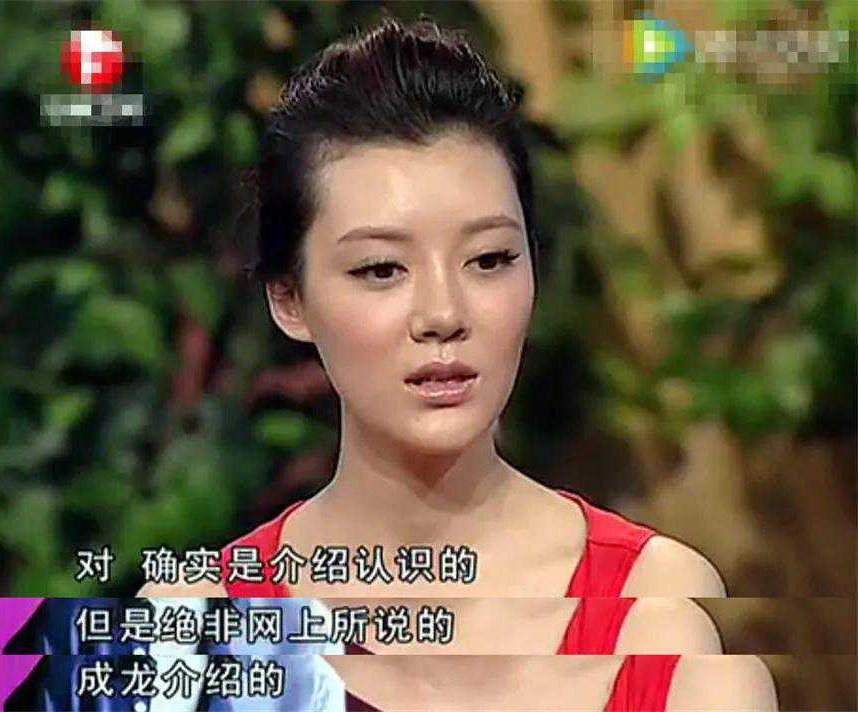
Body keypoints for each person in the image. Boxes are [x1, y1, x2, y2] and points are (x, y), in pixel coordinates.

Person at [140, 14, 778, 711]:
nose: (443, 314)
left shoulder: (661, 617)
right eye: (381, 269)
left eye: (489, 260)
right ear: (289, 299)